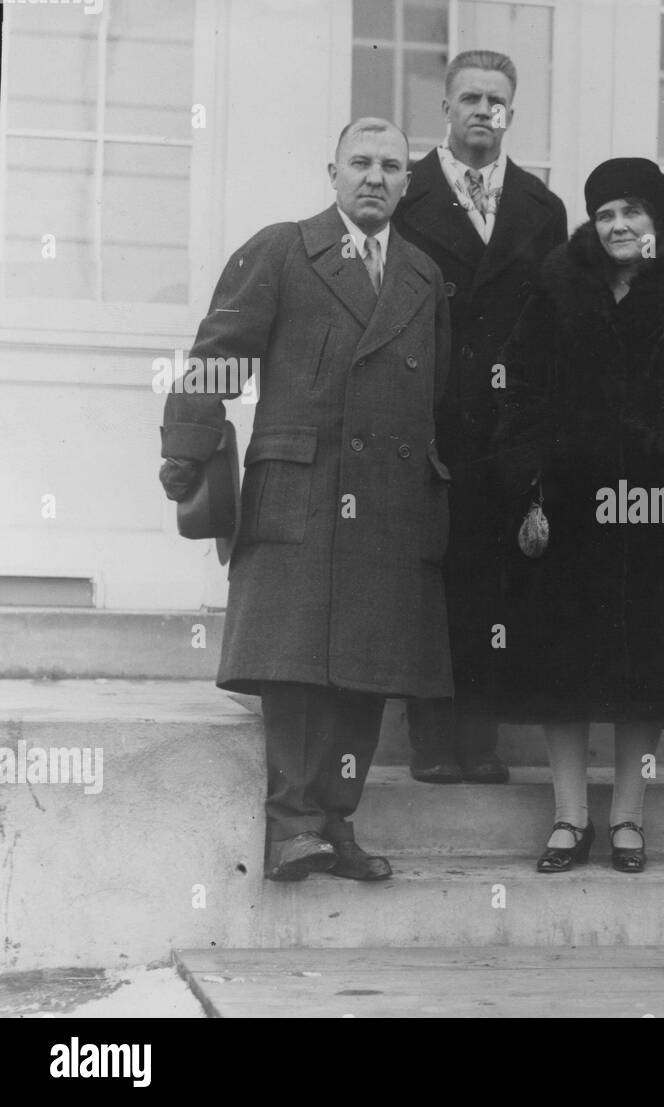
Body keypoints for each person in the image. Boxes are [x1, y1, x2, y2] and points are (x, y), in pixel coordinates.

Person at [159, 118, 453, 882]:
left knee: (366, 669)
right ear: (332, 171)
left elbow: (439, 393)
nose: (375, 177)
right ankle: (292, 824)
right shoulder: (284, 249)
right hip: (304, 488)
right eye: (361, 162)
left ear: (407, 183)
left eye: (392, 166)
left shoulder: (423, 275)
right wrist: (186, 451)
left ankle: (337, 822)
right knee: (293, 667)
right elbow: (218, 359)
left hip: (391, 503)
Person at [493, 157, 664, 873]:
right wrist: (533, 474)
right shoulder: (556, 288)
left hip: (655, 514)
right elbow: (518, 388)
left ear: (660, 219)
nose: (619, 226)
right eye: (605, 214)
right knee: (562, 665)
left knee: (646, 666)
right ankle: (570, 817)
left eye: (632, 211)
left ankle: (628, 816)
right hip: (570, 508)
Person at [392, 51, 568, 786]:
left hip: (509, 427)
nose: (483, 112)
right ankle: (433, 739)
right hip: (429, 416)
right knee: (432, 578)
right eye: (470, 97)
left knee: (495, 578)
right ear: (445, 107)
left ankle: (481, 737)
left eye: (497, 101)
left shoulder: (540, 206)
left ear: (511, 113)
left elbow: (557, 323)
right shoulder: (407, 193)